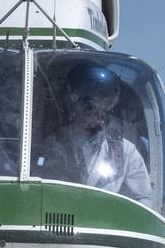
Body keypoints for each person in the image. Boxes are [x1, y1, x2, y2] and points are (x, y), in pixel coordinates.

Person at [37, 63, 153, 206]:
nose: (97, 112)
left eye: (104, 107)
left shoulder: (126, 152)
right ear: (74, 102)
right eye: (91, 105)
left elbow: (143, 201)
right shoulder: (48, 146)